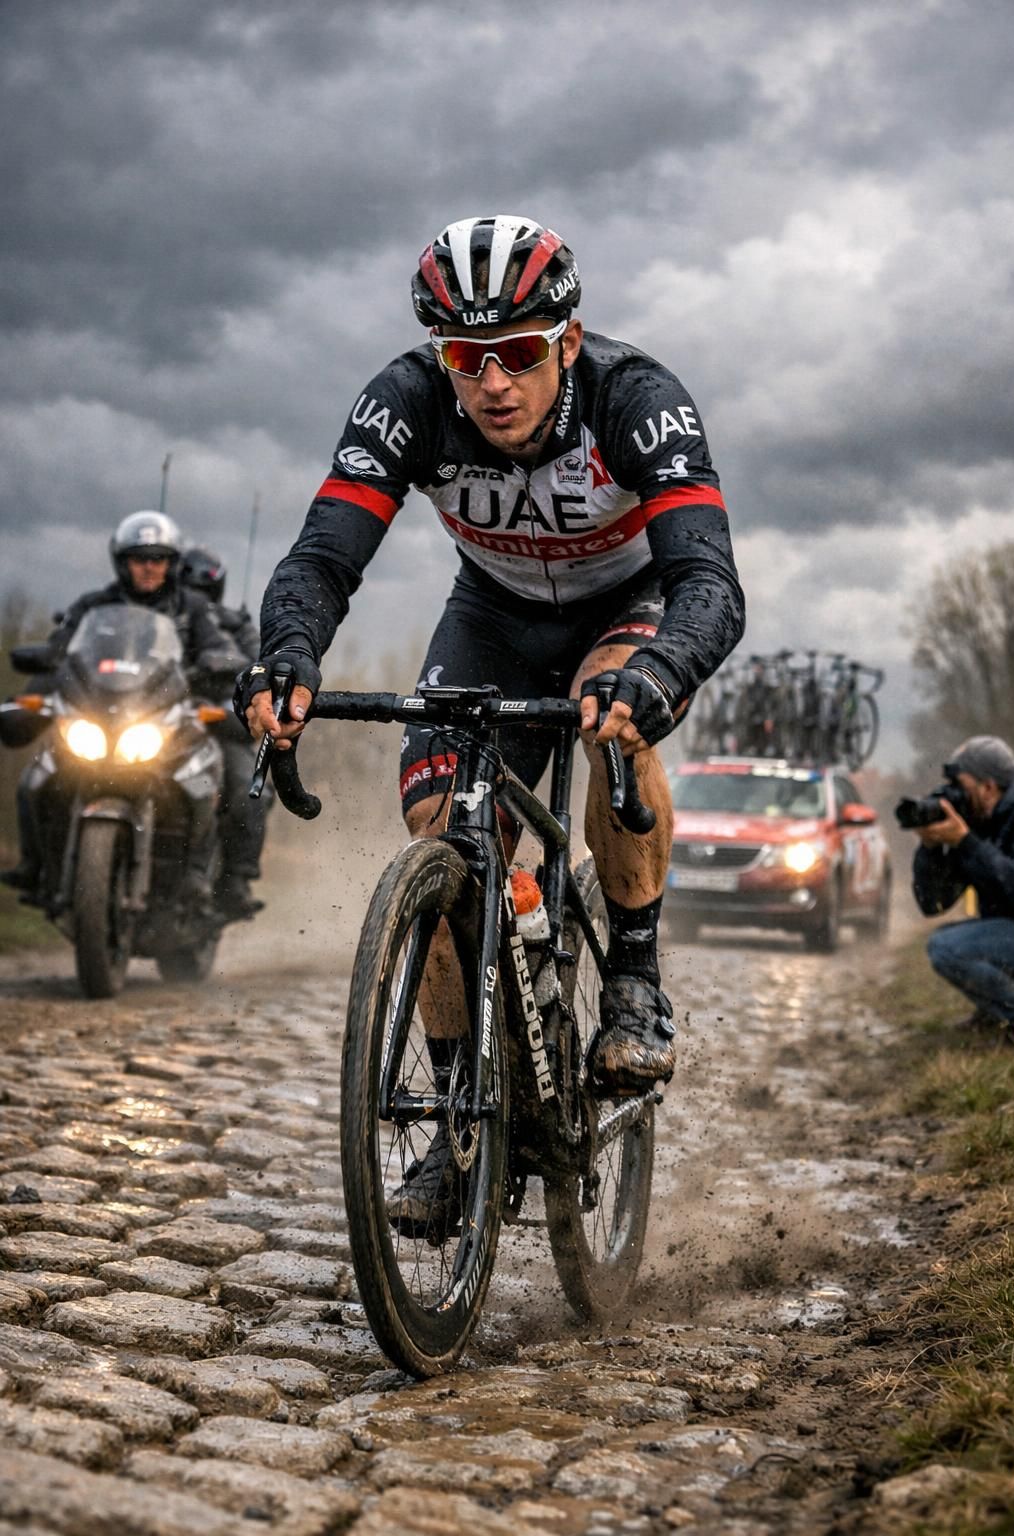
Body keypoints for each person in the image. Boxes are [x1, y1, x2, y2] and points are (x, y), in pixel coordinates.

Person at [237, 214, 744, 1229]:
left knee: (614, 724)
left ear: (565, 339)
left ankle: (635, 975)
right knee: (442, 849)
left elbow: (708, 582)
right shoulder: (408, 402)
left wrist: (657, 672)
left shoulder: (635, 400)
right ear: (441, 358)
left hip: (625, 610)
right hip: (492, 619)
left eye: (517, 355)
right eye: (468, 361)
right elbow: (323, 557)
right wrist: (289, 653)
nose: (493, 384)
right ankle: (454, 1123)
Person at [3, 512, 245, 905]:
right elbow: (61, 649)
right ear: (123, 562)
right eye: (139, 558)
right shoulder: (94, 605)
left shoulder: (193, 608)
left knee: (206, 784)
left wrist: (218, 662)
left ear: (171, 563)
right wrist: (44, 663)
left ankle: (197, 876)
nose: (149, 567)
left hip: (167, 719)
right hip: (99, 716)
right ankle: (35, 867)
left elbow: (222, 649)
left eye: (158, 558)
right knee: (36, 777)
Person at [913, 735, 1014, 1041]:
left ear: (988, 787)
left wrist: (967, 843)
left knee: (948, 948)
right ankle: (995, 1015)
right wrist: (930, 847)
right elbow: (932, 903)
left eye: (962, 787)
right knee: (946, 941)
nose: (955, 796)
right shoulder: (982, 818)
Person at [180, 546, 268, 917]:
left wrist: (240, 673)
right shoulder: (163, 619)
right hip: (161, 721)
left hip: (220, 723)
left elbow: (256, 666)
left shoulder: (236, 625)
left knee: (247, 788)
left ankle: (235, 880)